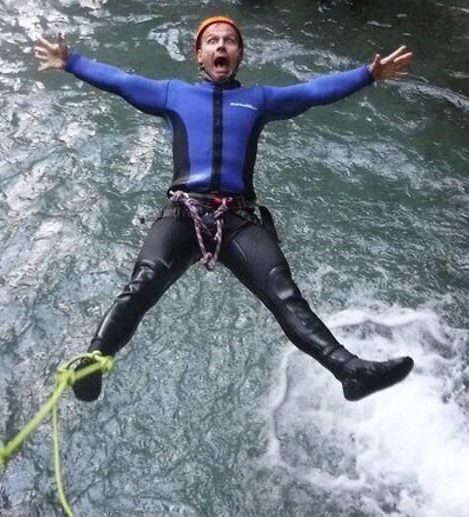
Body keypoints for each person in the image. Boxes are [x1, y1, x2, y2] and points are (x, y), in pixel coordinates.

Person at [34, 16, 414, 403]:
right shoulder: (172, 95)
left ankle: (350, 371)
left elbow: (313, 92)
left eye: (229, 41)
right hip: (184, 212)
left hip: (237, 217)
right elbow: (121, 81)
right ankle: (95, 361)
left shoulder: (260, 101)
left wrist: (368, 74)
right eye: (212, 41)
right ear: (199, 55)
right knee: (145, 280)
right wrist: (72, 61)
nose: (221, 46)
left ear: (239, 54)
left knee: (283, 291)